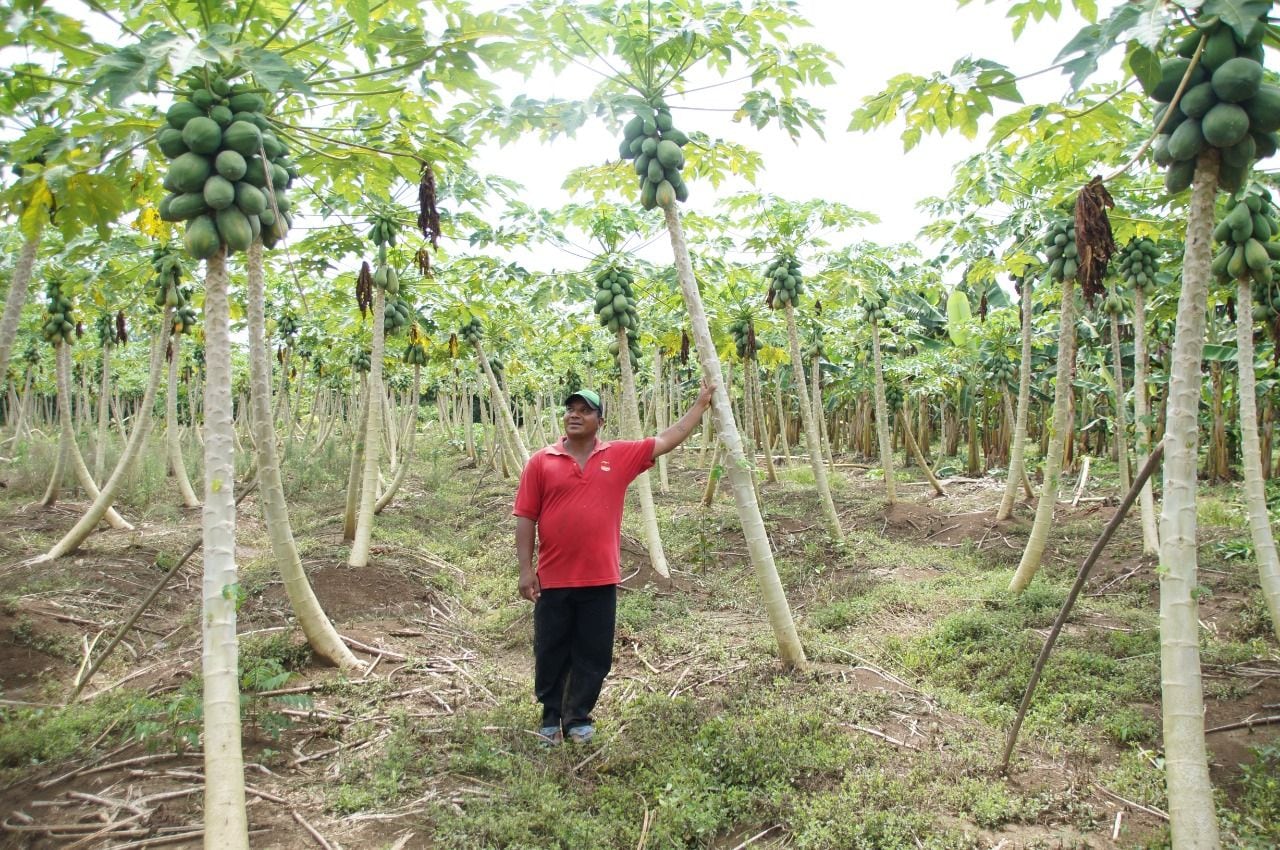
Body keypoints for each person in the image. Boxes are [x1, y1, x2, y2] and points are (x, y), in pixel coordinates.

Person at [513, 381, 714, 745]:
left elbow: (667, 439)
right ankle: (550, 716)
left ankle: (578, 718)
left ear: (600, 421)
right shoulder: (540, 462)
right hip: (553, 578)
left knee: (593, 652)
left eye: (585, 410)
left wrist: (700, 406)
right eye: (571, 409)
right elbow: (525, 516)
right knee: (551, 648)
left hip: (600, 579)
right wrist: (526, 570)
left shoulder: (618, 456)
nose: (575, 415)